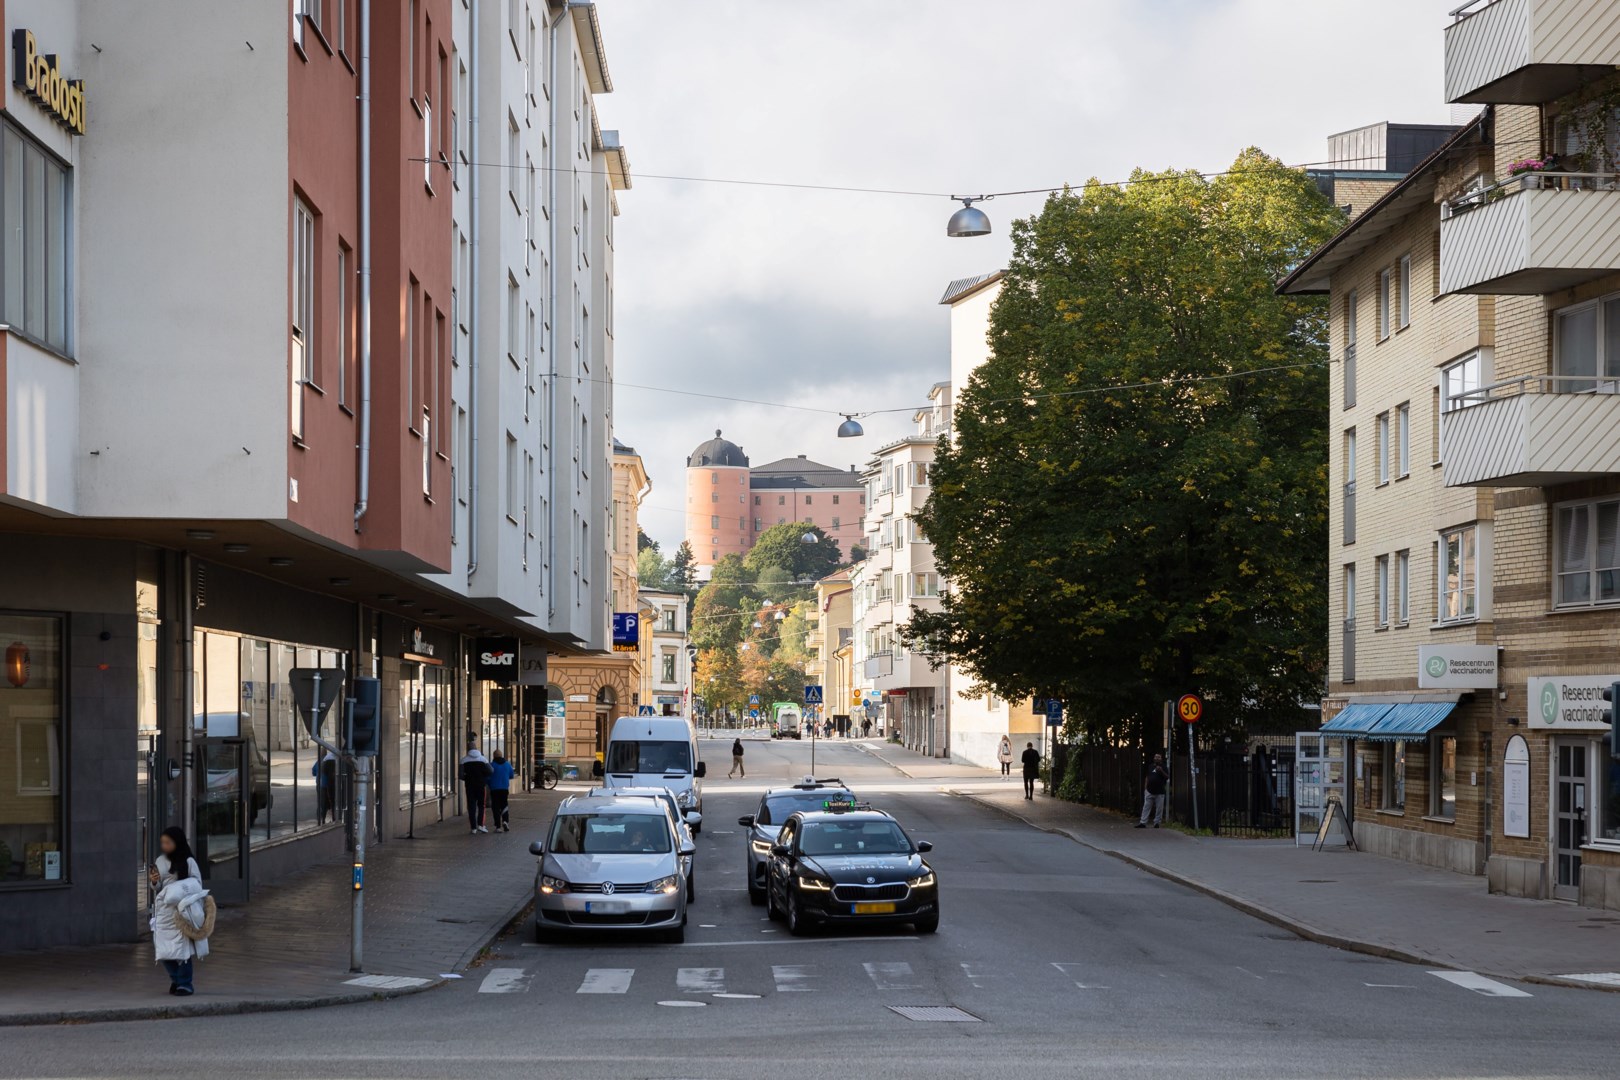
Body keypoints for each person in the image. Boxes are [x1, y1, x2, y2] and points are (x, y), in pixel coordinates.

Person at [148, 827, 208, 996]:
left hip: (182, 911)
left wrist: (178, 889)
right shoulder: (160, 861)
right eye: (163, 843)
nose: (164, 846)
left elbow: (197, 883)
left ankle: (185, 983)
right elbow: (157, 888)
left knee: (182, 950)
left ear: (177, 842)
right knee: (163, 949)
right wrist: (154, 882)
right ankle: (176, 979)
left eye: (168, 842)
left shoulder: (188, 861)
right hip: (163, 912)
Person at [459, 743, 494, 833]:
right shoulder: (483, 759)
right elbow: (491, 771)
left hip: (469, 786)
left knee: (471, 806)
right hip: (481, 785)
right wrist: (483, 776)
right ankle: (481, 825)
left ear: (468, 749)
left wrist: (467, 778)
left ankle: (473, 828)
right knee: (482, 805)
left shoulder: (463, 760)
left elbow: (460, 775)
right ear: (476, 748)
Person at [1136, 753, 1170, 828]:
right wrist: (1145, 788)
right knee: (1146, 807)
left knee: (1159, 808)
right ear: (1154, 758)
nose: (1157, 758)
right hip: (1149, 790)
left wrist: (1161, 771)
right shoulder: (1150, 766)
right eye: (1156, 757)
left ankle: (1157, 823)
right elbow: (1147, 777)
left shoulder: (1164, 767)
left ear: (1161, 759)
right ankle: (1143, 822)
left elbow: (1167, 777)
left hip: (1160, 791)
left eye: (1159, 757)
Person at [487, 751, 515, 833]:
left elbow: (487, 777)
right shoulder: (507, 764)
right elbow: (511, 775)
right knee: (504, 805)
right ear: (501, 755)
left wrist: (489, 784)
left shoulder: (491, 765)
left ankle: (498, 826)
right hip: (504, 789)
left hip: (494, 789)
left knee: (495, 807)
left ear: (494, 756)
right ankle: (505, 821)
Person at [314, 748, 338, 824]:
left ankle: (321, 819)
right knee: (333, 801)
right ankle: (334, 818)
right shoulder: (333, 760)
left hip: (321, 785)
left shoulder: (320, 761)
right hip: (331, 785)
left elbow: (314, 772)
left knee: (321, 802)